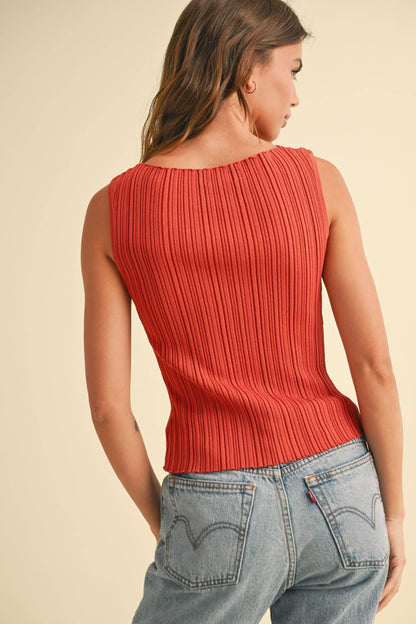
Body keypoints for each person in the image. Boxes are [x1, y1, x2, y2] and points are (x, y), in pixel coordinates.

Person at [80, 0, 406, 622]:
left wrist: (172, 524)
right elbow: (375, 368)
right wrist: (392, 513)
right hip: (343, 491)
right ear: (248, 70)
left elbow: (107, 409)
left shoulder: (111, 211)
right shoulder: (318, 181)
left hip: (214, 498)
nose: (296, 95)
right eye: (293, 69)